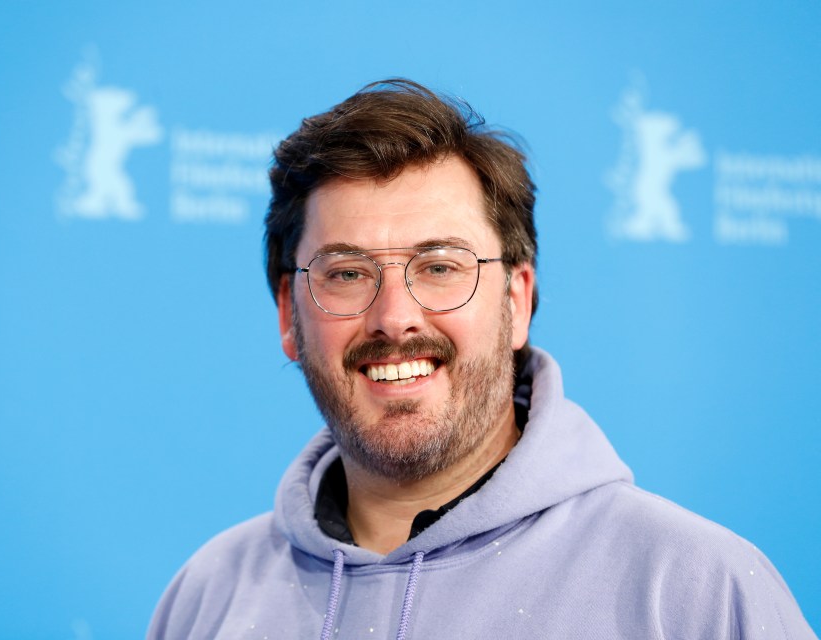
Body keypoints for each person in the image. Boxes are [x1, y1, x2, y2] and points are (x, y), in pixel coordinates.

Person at [148, 79, 815, 639]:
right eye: (346, 273)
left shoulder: (695, 595)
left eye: (439, 267)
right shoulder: (208, 600)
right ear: (289, 318)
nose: (394, 317)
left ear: (517, 301)